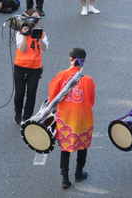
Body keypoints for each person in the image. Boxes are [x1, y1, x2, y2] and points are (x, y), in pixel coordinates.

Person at [48, 48, 95, 189]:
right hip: (83, 119)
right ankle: (79, 173)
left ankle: (65, 179)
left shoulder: (61, 75)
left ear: (70, 59)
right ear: (84, 61)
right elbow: (91, 101)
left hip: (65, 118)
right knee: (82, 147)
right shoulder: (87, 80)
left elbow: (53, 98)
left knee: (65, 148)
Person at [14, 10, 48, 125]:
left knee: (31, 93)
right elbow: (22, 49)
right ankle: (18, 113)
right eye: (34, 19)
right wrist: (25, 36)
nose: (36, 21)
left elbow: (44, 48)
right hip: (20, 66)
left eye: (38, 19)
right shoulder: (20, 32)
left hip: (35, 68)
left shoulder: (42, 33)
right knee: (19, 93)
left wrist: (38, 38)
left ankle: (27, 117)